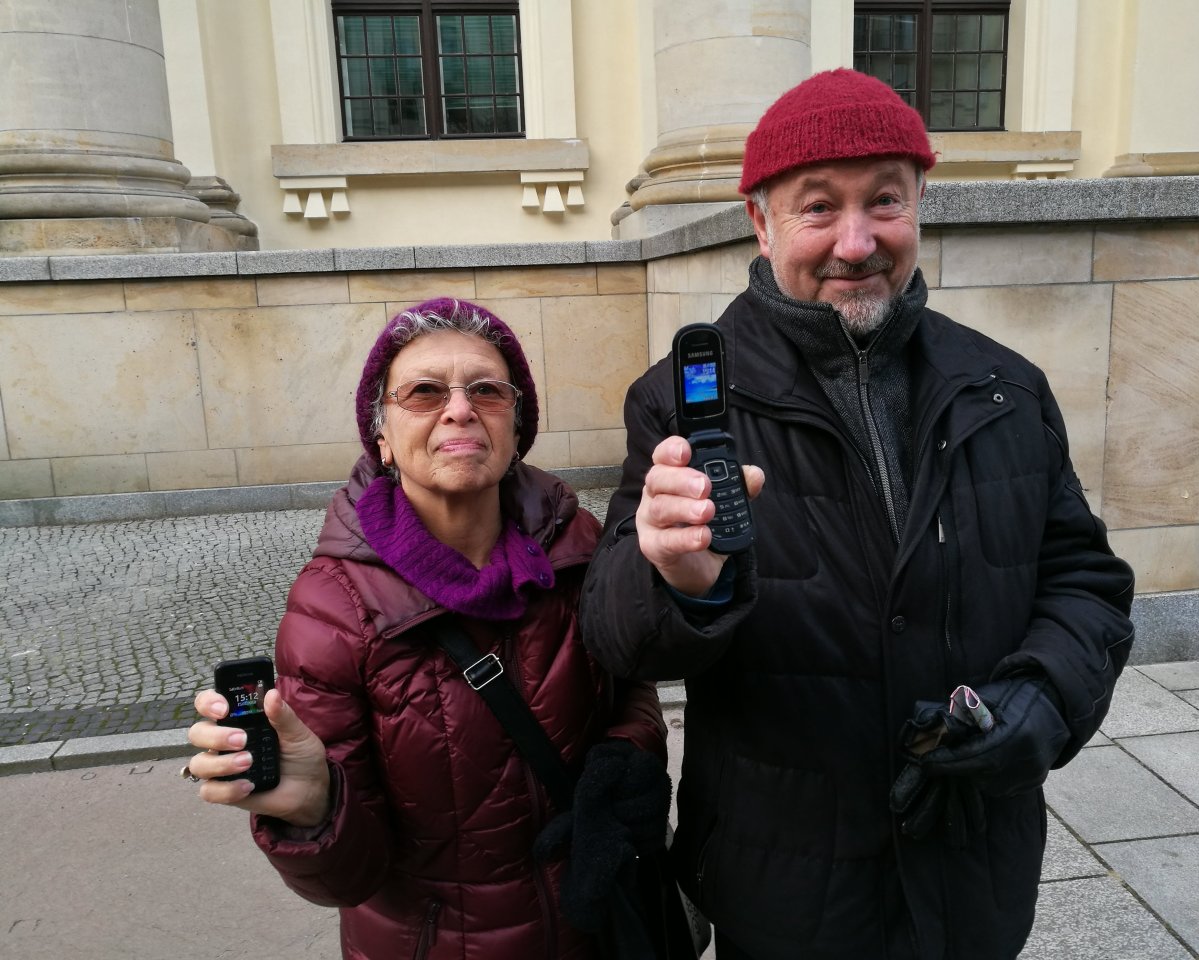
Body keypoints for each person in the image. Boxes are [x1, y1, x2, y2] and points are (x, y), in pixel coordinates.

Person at [580, 69, 1135, 960]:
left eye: (885, 200)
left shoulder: (1005, 387)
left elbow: (1085, 581)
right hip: (789, 886)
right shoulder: (680, 405)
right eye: (817, 208)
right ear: (759, 223)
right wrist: (676, 583)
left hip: (971, 870)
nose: (855, 241)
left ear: (921, 204)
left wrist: (1042, 698)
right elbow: (619, 639)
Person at [184, 298, 668, 960]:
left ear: (516, 426)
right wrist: (314, 806)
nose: (461, 409)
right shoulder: (331, 611)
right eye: (424, 392)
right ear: (381, 436)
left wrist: (627, 754)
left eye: (488, 391)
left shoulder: (577, 544)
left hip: (595, 928)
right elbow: (350, 877)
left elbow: (629, 678)